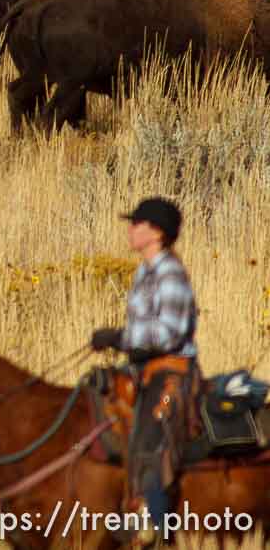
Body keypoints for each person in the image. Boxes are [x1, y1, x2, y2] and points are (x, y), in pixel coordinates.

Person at [91, 197, 197, 547]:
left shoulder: (170, 274)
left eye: (136, 224)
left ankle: (157, 530)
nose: (130, 229)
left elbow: (168, 334)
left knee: (150, 445)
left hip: (171, 375)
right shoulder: (144, 271)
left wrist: (121, 338)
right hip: (144, 372)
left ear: (156, 233)